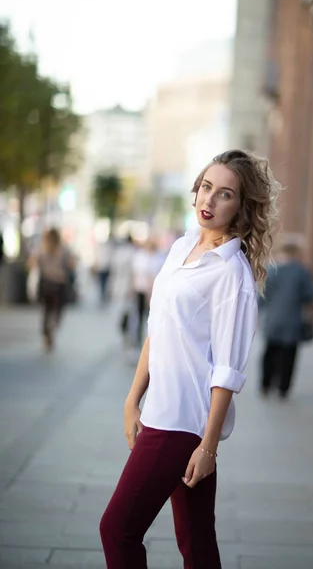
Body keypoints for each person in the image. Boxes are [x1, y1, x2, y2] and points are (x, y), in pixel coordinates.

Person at [99, 150, 280, 568]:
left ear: (241, 207)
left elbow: (227, 371)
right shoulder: (182, 247)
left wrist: (209, 446)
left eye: (225, 194)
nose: (210, 200)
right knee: (197, 544)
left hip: (182, 424)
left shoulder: (232, 274)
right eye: (206, 187)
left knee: (117, 529)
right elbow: (157, 330)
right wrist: (132, 399)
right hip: (163, 410)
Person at [260, 240, 313, 398]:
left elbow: (262, 296)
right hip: (293, 319)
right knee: (289, 354)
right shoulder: (302, 272)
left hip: (273, 319)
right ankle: (283, 388)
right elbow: (309, 295)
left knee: (270, 351)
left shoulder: (272, 269)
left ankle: (266, 384)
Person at [31, 228, 75, 352]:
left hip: (45, 283)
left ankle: (46, 331)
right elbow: (72, 264)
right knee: (58, 310)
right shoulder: (64, 249)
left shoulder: (42, 248)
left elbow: (33, 262)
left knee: (46, 310)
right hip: (59, 284)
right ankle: (52, 327)